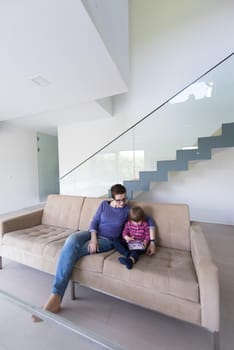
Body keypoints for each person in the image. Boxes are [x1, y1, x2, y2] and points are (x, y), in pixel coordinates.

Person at [33, 184, 156, 321]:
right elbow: (94, 222)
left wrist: (152, 242)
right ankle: (55, 299)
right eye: (119, 200)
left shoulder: (127, 210)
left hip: (108, 241)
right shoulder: (104, 205)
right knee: (71, 240)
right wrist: (93, 239)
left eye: (124, 199)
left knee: (72, 252)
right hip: (92, 234)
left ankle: (55, 297)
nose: (122, 203)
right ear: (112, 198)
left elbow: (147, 218)